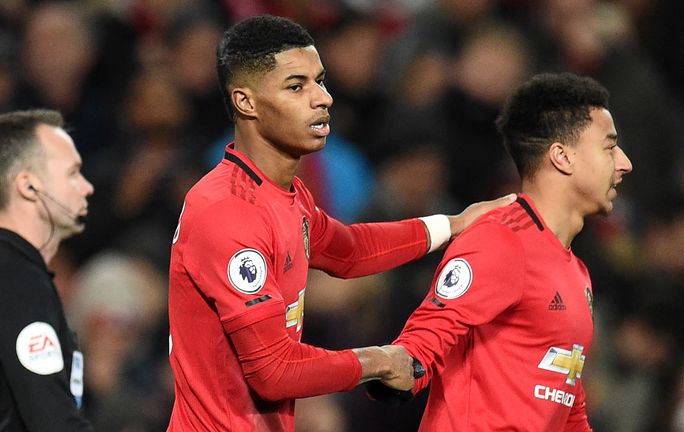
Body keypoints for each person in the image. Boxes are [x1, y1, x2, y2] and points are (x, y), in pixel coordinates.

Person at [166, 14, 514, 431]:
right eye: (297, 86)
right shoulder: (226, 210)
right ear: (246, 102)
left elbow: (348, 250)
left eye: (320, 80)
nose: (323, 98)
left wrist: (453, 225)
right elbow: (273, 371)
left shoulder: (283, 194)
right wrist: (379, 361)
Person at [374, 72, 633, 431]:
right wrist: (396, 366)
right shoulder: (500, 240)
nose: (624, 163)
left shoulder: (578, 272)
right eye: (609, 146)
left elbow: (567, 405)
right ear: (562, 157)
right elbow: (429, 333)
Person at [0, 109, 95, 430]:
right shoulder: (16, 280)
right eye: (73, 173)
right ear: (28, 186)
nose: (87, 187)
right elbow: (52, 421)